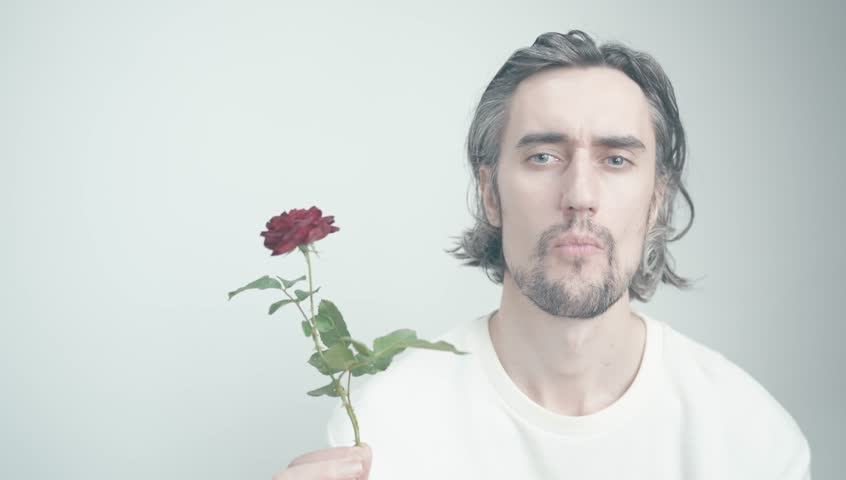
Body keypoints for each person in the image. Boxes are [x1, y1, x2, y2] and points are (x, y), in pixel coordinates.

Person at [274, 29, 811, 480]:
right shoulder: (385, 429)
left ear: (657, 201)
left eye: (617, 159)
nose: (580, 194)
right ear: (490, 193)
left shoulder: (752, 441)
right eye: (543, 155)